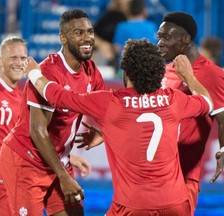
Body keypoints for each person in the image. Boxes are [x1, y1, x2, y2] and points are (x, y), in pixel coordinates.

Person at [25, 39, 213, 215]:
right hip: (175, 204)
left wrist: (34, 73)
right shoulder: (173, 100)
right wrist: (188, 76)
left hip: (132, 205)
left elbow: (58, 96)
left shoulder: (110, 103)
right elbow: (207, 102)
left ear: (126, 72)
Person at [0, 35, 92, 216]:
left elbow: (26, 139)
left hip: (16, 179)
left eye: (23, 58)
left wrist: (69, 159)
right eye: (13, 58)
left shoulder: (21, 96)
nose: (19, 63)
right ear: (0, 60)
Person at [0, 9, 106, 216]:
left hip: (57, 161)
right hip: (26, 161)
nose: (87, 38)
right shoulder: (48, 72)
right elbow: (38, 131)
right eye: (79, 32)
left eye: (90, 32)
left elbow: (107, 110)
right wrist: (64, 176)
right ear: (63, 38)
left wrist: (103, 132)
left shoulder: (91, 70)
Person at [157, 11, 224, 215]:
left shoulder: (213, 74)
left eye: (166, 37)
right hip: (154, 174)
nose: (160, 43)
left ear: (186, 39)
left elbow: (222, 119)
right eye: (159, 37)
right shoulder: (165, 71)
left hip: (184, 177)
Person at [113, 0, 157, 66]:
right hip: (149, 68)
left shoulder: (122, 26)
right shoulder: (151, 26)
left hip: (127, 68)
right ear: (144, 10)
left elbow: (117, 48)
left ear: (128, 11)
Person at [93, 0, 128, 67]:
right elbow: (91, 35)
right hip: (105, 55)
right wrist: (102, 44)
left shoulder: (134, 20)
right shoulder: (109, 16)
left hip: (122, 57)